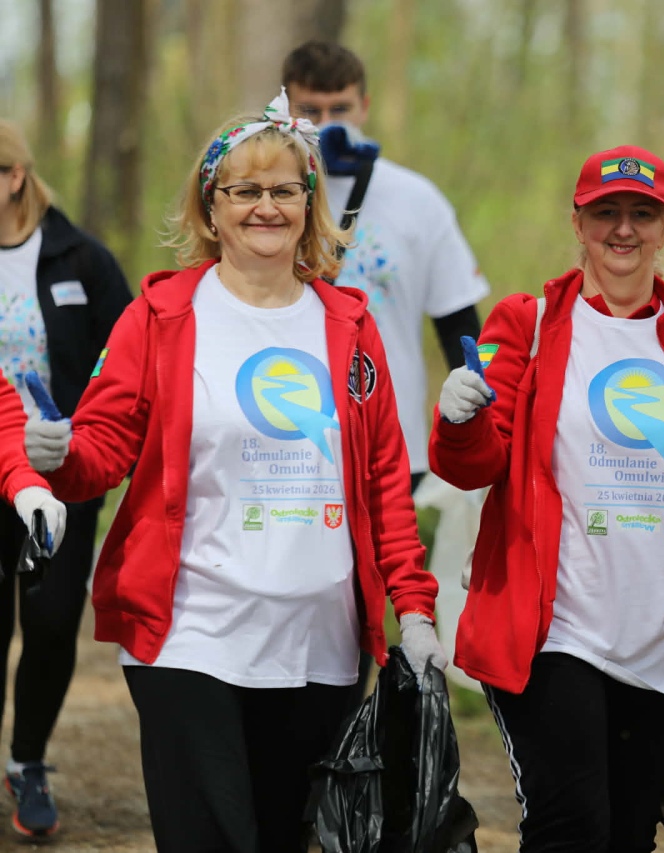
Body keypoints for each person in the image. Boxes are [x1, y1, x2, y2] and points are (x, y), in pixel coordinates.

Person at [28, 90, 446, 853]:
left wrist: (413, 609)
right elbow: (103, 452)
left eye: (284, 189)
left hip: (321, 641)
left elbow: (383, 481)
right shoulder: (159, 318)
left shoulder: (350, 327)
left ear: (309, 203)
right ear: (210, 208)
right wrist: (55, 458)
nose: (265, 207)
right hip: (193, 632)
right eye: (244, 190)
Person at [429, 145, 664, 852]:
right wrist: (460, 419)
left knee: (629, 835)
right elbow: (478, 465)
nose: (623, 230)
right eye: (606, 213)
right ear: (578, 223)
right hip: (555, 631)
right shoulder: (528, 325)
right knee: (573, 826)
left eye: (641, 213)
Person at [282, 40, 490, 693]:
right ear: (284, 105)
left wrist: (475, 421)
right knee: (300, 595)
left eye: (339, 107)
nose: (326, 122)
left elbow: (460, 325)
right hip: (287, 432)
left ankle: (358, 747)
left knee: (370, 601)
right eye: (308, 108)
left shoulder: (415, 200)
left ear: (364, 104)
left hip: (391, 441)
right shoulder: (267, 193)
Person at [0, 119, 130, 837]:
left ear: (15, 176)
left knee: (50, 623)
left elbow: (126, 360)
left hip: (62, 472)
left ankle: (27, 761)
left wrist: (95, 437)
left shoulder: (83, 259)